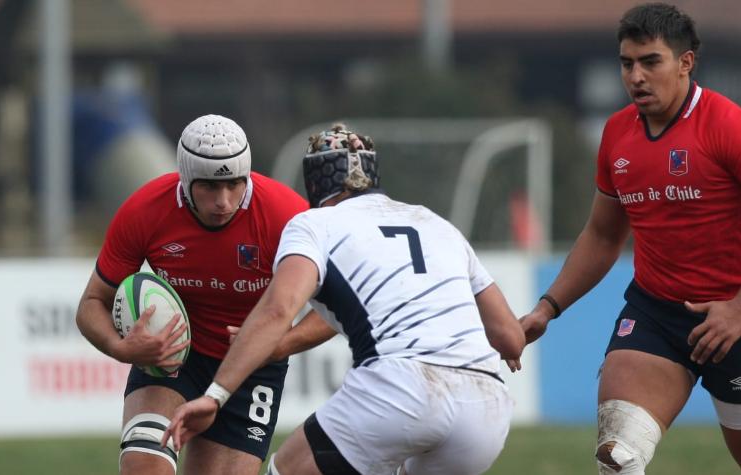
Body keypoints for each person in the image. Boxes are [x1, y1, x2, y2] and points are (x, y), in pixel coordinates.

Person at [520, 3, 741, 474]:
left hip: (736, 319)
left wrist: (740, 308)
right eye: (627, 63)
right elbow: (603, 235)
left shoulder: (735, 127)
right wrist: (547, 308)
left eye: (651, 61)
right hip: (654, 315)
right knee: (618, 459)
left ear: (685, 63)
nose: (636, 77)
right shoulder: (616, 134)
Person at [161, 123, 526, 475]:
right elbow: (510, 338)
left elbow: (278, 310)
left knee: (284, 469)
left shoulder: (314, 225)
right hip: (485, 405)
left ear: (315, 182)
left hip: (400, 387)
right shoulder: (436, 223)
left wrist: (214, 397)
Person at [75, 114, 335, 475]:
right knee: (143, 466)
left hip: (253, 369)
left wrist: (276, 345)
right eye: (209, 187)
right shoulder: (146, 210)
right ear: (185, 178)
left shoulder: (286, 216)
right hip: (171, 357)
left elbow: (337, 309)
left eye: (234, 185)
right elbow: (91, 304)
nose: (223, 201)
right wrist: (120, 348)